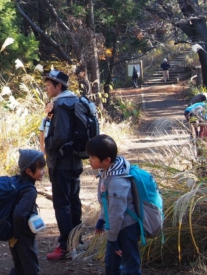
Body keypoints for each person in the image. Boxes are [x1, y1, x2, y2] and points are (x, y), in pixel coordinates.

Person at [38, 69, 83, 261]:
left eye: (50, 84)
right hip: (74, 160)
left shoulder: (61, 105)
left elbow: (61, 135)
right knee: (73, 201)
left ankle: (65, 247)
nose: (47, 87)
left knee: (62, 204)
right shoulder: (74, 101)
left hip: (61, 162)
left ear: (59, 86)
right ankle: (75, 242)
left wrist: (47, 146)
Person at [87, 134, 141, 275]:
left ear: (106, 160)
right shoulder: (106, 172)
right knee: (111, 265)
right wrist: (102, 219)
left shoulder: (117, 181)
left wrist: (112, 239)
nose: (89, 160)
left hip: (126, 228)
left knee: (130, 267)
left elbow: (117, 213)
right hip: (116, 229)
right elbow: (107, 202)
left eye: (92, 157)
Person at [8, 149, 47, 275]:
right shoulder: (30, 190)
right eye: (40, 168)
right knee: (31, 268)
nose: (43, 171)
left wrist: (13, 234)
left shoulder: (17, 182)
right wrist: (18, 234)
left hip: (12, 233)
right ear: (29, 171)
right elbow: (19, 214)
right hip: (23, 235)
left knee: (19, 267)